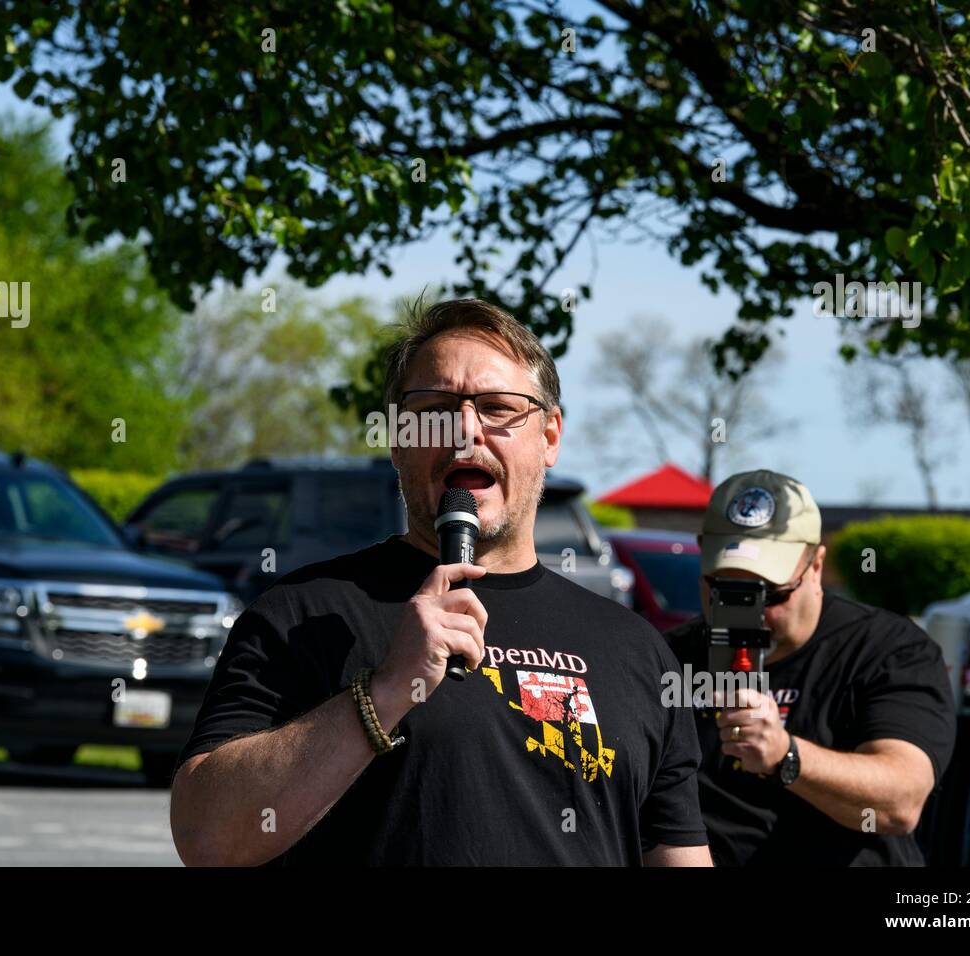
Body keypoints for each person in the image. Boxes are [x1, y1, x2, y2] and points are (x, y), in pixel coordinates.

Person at [170, 297, 712, 866]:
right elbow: (209, 837)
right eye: (433, 409)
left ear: (550, 437)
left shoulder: (634, 649)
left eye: (500, 407)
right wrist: (385, 692)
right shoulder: (302, 615)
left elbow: (677, 852)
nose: (466, 431)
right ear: (399, 437)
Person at [663, 469, 956, 865]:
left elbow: (901, 801)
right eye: (723, 590)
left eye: (770, 593)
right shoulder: (666, 657)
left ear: (816, 566)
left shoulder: (888, 650)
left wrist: (787, 755)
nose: (747, 611)